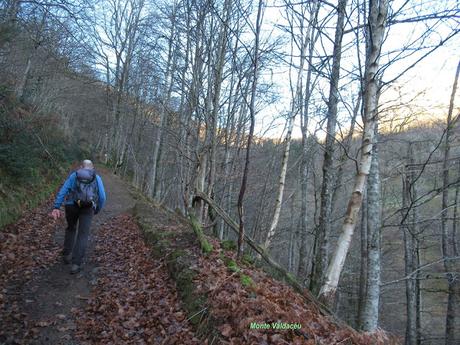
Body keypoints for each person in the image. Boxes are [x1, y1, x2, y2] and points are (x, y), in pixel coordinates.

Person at [51, 160, 106, 274]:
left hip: (71, 206)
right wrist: (97, 209)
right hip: (88, 208)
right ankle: (76, 264)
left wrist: (56, 206)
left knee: (71, 228)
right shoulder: (96, 177)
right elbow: (102, 196)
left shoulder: (74, 175)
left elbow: (63, 190)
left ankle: (66, 254)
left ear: (81, 166)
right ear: (92, 167)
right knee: (83, 234)